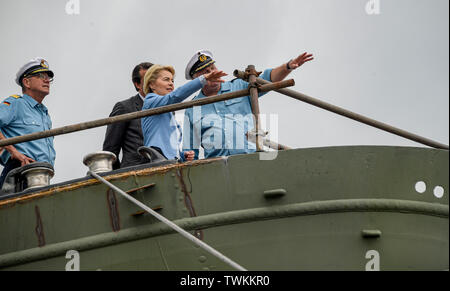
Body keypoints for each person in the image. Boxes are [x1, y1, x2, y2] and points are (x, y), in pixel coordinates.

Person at [183, 50, 314, 159]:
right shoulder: (192, 108)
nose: (213, 73)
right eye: (206, 72)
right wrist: (187, 157)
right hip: (216, 168)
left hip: (250, 160)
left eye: (213, 68)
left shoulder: (239, 86)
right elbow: (190, 153)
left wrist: (288, 66)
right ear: (197, 80)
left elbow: (269, 78)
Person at [141, 64, 227, 161]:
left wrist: (182, 155)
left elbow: (168, 145)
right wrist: (203, 79)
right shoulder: (150, 100)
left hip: (168, 161)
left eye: (172, 80)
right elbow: (175, 96)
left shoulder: (167, 111)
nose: (171, 83)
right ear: (151, 84)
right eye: (166, 79)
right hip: (156, 158)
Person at [0, 57, 56, 188]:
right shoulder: (16, 103)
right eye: (41, 76)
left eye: (48, 77)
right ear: (27, 82)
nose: (47, 80)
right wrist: (14, 152)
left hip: (42, 175)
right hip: (20, 173)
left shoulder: (45, 114)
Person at [103, 62, 153, 169]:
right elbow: (110, 152)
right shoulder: (124, 108)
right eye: (148, 79)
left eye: (156, 78)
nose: (153, 83)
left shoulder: (169, 109)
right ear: (137, 84)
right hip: (135, 176)